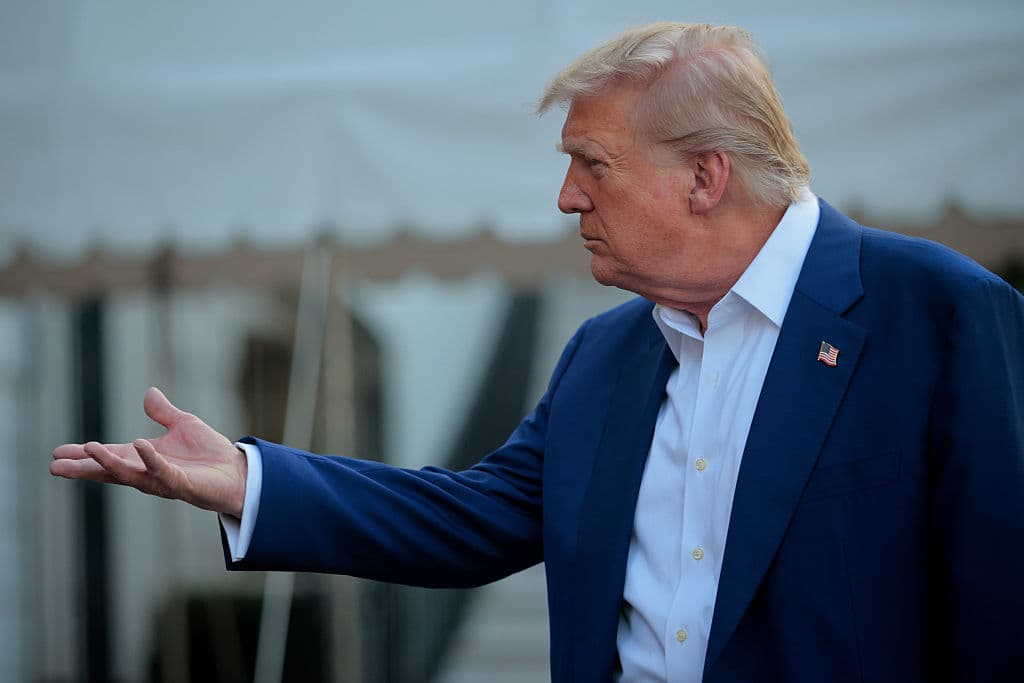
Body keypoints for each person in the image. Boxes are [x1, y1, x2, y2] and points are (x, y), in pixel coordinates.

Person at [52, 22, 1024, 682]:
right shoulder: (605, 354)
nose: (566, 198)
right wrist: (247, 479)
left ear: (704, 177)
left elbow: (1002, 609)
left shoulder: (940, 314)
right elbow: (468, 517)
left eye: (592, 164)